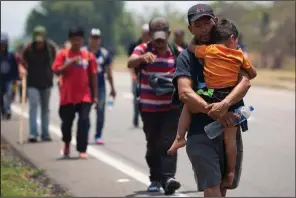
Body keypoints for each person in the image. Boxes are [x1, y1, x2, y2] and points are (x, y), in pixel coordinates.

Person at [173, 4, 251, 197]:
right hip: (200, 133)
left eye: (207, 22)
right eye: (198, 25)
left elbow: (245, 81)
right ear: (191, 29)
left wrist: (225, 104)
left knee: (223, 187)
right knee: (212, 187)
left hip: (230, 126)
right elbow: (184, 93)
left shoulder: (231, 51)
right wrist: (216, 112)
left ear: (215, 22)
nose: (204, 28)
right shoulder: (186, 57)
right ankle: (178, 138)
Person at [127, 17, 183, 195]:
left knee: (169, 142)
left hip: (171, 108)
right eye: (156, 38)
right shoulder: (143, 48)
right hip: (149, 108)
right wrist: (142, 58)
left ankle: (168, 179)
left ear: (168, 34)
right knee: (153, 145)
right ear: (150, 35)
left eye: (162, 37)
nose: (159, 42)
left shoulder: (177, 52)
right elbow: (130, 62)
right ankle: (155, 179)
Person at [52, 26, 98, 159]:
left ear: (83, 40)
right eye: (74, 40)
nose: (76, 42)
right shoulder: (63, 54)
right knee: (66, 124)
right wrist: (71, 62)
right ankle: (66, 142)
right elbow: (56, 70)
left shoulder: (88, 56)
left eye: (79, 39)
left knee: (84, 121)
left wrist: (95, 96)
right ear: (70, 40)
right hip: (67, 96)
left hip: (84, 96)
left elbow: (93, 75)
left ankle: (82, 149)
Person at [21, 25, 57, 142]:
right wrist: (22, 69)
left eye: (41, 40)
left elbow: (57, 62)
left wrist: (58, 75)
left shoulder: (50, 48)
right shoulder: (29, 49)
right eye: (37, 40)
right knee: (33, 106)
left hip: (46, 82)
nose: (39, 43)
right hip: (32, 82)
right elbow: (21, 61)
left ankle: (45, 134)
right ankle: (33, 133)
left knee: (45, 109)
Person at [85, 28, 116, 144]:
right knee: (85, 111)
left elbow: (109, 72)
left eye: (97, 38)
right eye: (93, 37)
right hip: (86, 87)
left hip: (100, 86)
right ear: (89, 39)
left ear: (100, 40)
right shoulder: (84, 52)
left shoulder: (104, 53)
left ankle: (98, 135)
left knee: (100, 111)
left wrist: (112, 88)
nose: (95, 40)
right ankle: (86, 131)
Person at [127, 24, 150, 127]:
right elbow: (130, 62)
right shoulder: (135, 45)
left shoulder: (153, 46)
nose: (146, 35)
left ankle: (147, 118)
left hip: (149, 77)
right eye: (145, 33)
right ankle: (136, 117)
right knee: (137, 99)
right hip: (137, 76)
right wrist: (133, 75)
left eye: (148, 34)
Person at [1, 33, 19, 120]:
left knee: (9, 94)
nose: (3, 46)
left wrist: (16, 78)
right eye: (2, 44)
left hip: (9, 79)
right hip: (1, 79)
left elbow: (15, 67)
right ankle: (3, 110)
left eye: (4, 44)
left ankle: (7, 110)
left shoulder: (11, 55)